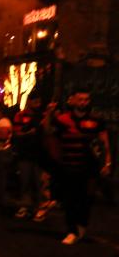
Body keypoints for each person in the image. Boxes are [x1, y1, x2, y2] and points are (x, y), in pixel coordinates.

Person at [45, 88, 111, 245]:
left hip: (90, 169)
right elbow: (48, 133)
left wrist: (107, 162)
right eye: (80, 99)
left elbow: (104, 143)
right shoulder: (62, 120)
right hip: (68, 167)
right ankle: (71, 230)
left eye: (86, 100)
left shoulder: (96, 120)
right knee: (70, 200)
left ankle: (81, 224)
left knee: (86, 199)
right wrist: (49, 113)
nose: (83, 102)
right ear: (73, 100)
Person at [12, 89, 46, 220]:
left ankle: (39, 209)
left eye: (39, 102)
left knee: (38, 183)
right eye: (35, 101)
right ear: (29, 101)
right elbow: (16, 134)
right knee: (25, 181)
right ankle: (25, 206)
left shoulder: (43, 116)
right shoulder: (20, 115)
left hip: (39, 154)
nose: (37, 104)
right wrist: (28, 134)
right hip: (24, 154)